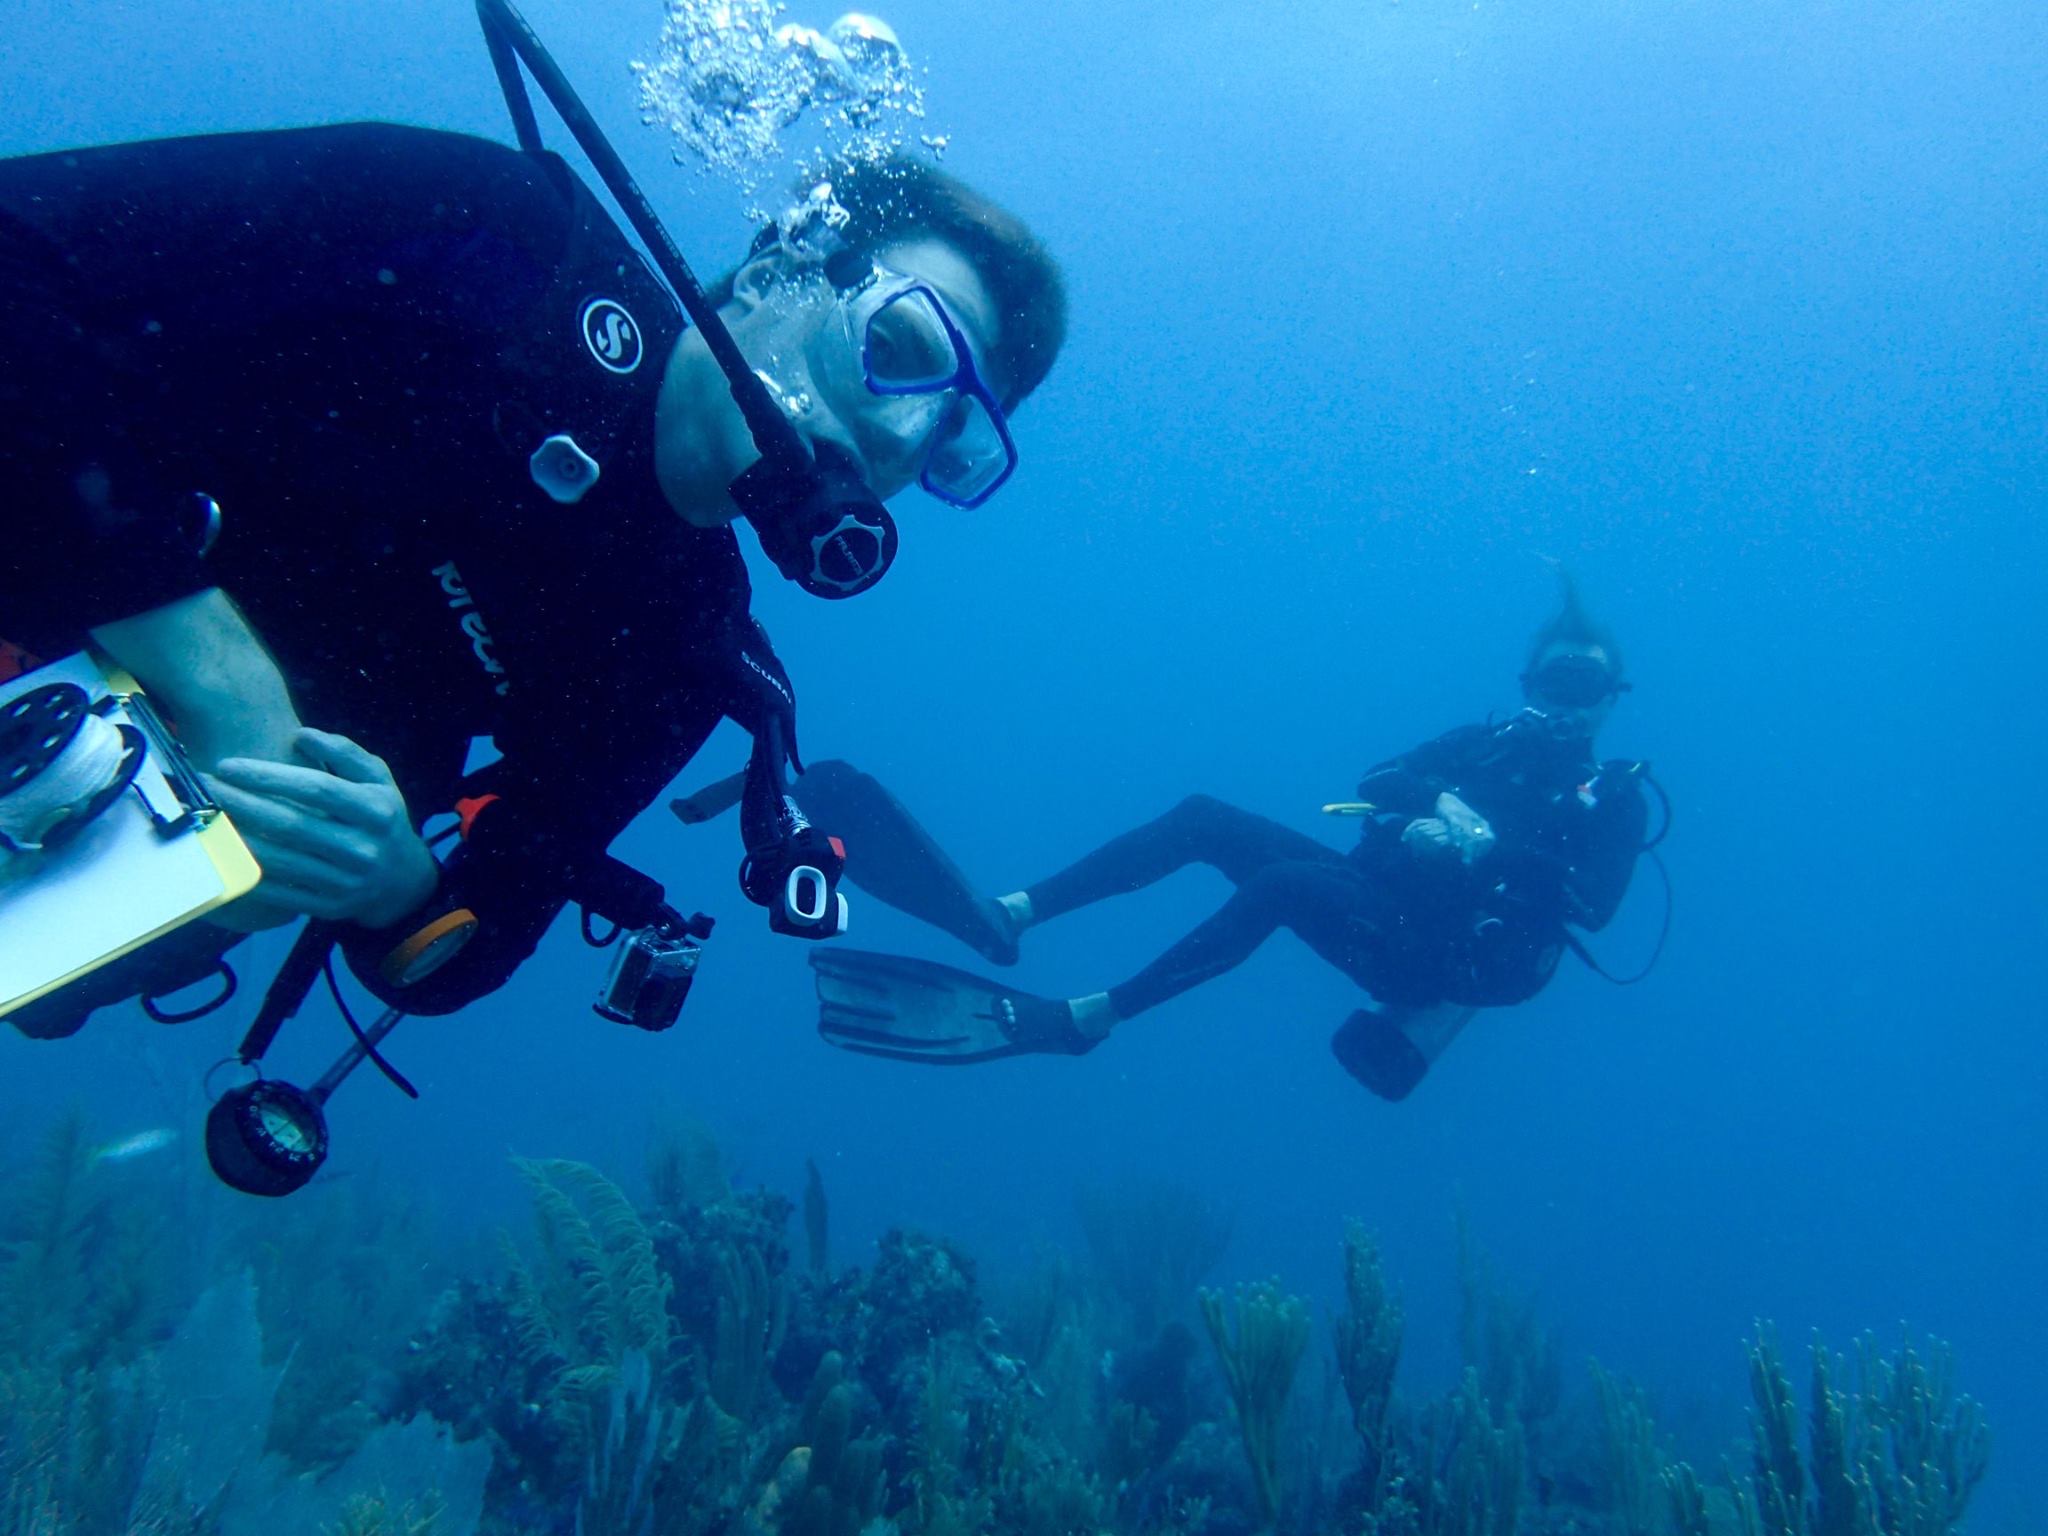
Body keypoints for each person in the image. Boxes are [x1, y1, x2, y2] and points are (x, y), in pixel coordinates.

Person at [0, 114, 1066, 1039]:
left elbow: (459, 953)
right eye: (908, 345)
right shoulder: (490, 239)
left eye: (955, 436)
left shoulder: (682, 656)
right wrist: (215, 670)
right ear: (783, 269)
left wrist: (388, 885)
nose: (903, 432)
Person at [779, 581, 1657, 1096]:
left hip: (1444, 961)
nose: (1564, 701)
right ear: (1528, 682)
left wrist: (1482, 847)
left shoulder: (1613, 799)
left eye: (1585, 687)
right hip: (1378, 899)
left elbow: (1594, 905)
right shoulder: (1483, 740)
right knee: (1203, 816)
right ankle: (1010, 913)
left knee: (1277, 883)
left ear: (1613, 700)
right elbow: (1378, 780)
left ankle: (1090, 1017)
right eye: (1552, 680)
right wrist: (1440, 803)